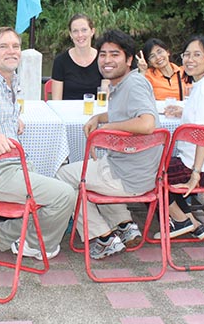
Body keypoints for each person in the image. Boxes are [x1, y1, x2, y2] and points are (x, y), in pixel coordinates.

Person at [0, 26, 74, 260]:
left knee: (53, 193)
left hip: (9, 166)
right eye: (3, 46)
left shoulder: (8, 80)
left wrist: (11, 120)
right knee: (65, 195)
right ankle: (34, 245)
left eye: (15, 46)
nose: (12, 51)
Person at [56, 30, 161, 259]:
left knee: (63, 177)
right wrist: (99, 118)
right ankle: (123, 224)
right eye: (103, 55)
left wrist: (105, 131)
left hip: (127, 175)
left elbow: (147, 123)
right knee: (89, 169)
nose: (107, 60)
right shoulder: (122, 84)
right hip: (135, 170)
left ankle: (102, 237)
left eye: (115, 54)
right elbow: (120, 114)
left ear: (129, 59)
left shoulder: (135, 84)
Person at [160, 35, 204, 239]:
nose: (189, 60)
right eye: (186, 55)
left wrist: (195, 174)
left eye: (197, 55)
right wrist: (184, 111)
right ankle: (193, 223)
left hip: (202, 166)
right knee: (157, 165)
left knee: (147, 173)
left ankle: (180, 220)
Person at [50, 14, 103, 100]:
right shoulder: (60, 61)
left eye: (84, 30)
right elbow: (56, 101)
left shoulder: (103, 59)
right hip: (67, 112)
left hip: (97, 112)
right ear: (70, 35)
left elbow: (105, 98)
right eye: (75, 31)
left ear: (92, 31)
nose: (80, 35)